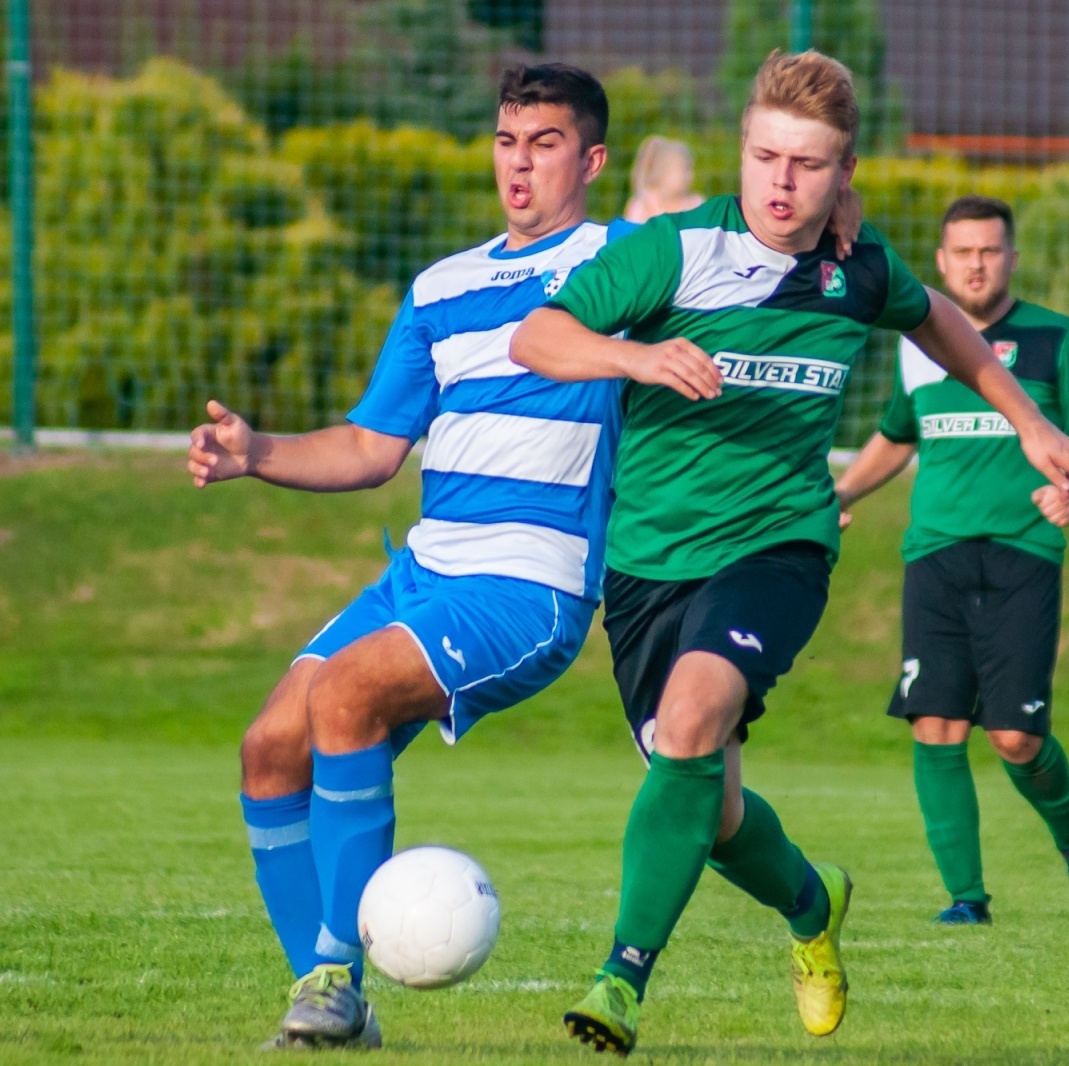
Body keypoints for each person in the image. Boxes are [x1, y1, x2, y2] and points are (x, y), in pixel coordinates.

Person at [510, 51, 1069, 1058]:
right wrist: (636, 354)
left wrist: (1029, 418)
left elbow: (938, 320)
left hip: (779, 545)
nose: (781, 183)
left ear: (843, 173)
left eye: (808, 165)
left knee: (691, 724)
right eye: (765, 156)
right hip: (648, 562)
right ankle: (815, 909)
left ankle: (620, 980)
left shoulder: (855, 267)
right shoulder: (670, 253)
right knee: (715, 807)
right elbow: (538, 338)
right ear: (742, 152)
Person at [186, 64, 634, 1050]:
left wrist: (834, 218)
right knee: (269, 744)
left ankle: (337, 975)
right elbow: (371, 448)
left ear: (592, 161)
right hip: (427, 568)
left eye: (546, 144)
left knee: (343, 693)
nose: (519, 166)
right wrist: (255, 452)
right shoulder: (442, 285)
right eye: (507, 142)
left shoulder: (622, 262)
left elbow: (753, 252)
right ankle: (327, 994)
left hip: (530, 582)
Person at [833, 195, 1069, 928]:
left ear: (1012, 257)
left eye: (990, 250)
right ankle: (967, 899)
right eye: (963, 251)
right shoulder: (916, 341)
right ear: (941, 260)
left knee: (1016, 738)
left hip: (1023, 554)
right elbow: (897, 436)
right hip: (934, 553)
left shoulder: (1055, 338)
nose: (976, 263)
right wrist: (840, 492)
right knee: (935, 723)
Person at [623, 135, 705, 222]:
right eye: (683, 170)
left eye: (690, 169)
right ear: (663, 171)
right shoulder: (642, 205)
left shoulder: (695, 204)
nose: (688, 176)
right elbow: (630, 234)